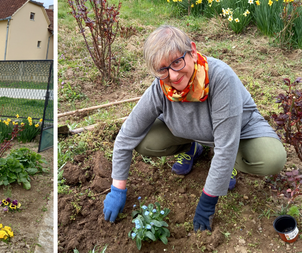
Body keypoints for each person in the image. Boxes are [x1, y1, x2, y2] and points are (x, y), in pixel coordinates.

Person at [103, 25, 286, 231]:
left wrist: (207, 203)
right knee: (145, 141)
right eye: (163, 69)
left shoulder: (220, 78)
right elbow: (127, 134)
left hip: (237, 132)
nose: (172, 75)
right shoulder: (161, 87)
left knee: (272, 158)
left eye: (177, 62)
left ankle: (229, 166)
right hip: (190, 131)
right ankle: (193, 148)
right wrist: (117, 188)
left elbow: (226, 144)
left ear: (192, 51)